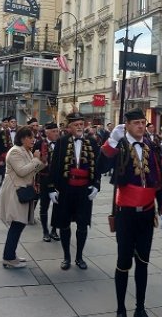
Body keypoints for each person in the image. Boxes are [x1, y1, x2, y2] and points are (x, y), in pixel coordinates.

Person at [97, 108, 162, 317]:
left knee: (143, 261)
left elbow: (158, 181)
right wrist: (111, 141)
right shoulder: (119, 146)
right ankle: (121, 308)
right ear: (126, 125)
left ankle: (140, 307)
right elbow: (101, 167)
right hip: (126, 214)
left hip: (147, 213)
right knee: (123, 262)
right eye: (136, 123)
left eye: (142, 122)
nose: (141, 126)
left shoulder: (152, 146)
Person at [49, 112, 100, 270]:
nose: (79, 127)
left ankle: (79, 257)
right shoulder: (61, 142)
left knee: (82, 225)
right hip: (66, 189)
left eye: (81, 124)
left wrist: (97, 185)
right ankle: (66, 257)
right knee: (64, 225)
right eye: (76, 125)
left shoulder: (92, 142)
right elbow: (54, 166)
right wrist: (51, 188)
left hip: (84, 190)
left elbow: (98, 165)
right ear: (69, 127)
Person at [0, 127, 45, 268]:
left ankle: (11, 254)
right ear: (22, 138)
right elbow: (21, 171)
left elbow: (32, 171)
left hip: (22, 190)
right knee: (17, 223)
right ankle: (8, 257)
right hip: (15, 191)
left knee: (19, 223)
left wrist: (41, 163)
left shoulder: (27, 152)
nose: (33, 140)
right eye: (30, 137)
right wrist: (36, 160)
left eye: (34, 137)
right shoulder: (15, 152)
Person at [34, 122, 61, 242]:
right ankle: (45, 231)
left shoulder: (62, 143)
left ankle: (54, 229)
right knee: (44, 205)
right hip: (44, 178)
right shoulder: (39, 144)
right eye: (54, 131)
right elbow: (33, 164)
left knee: (58, 206)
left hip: (59, 180)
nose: (56, 133)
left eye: (57, 131)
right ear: (47, 132)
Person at [0, 117, 16, 196]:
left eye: (15, 122)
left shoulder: (18, 133)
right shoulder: (2, 133)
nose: (13, 123)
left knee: (10, 175)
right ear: (8, 123)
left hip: (14, 157)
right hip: (3, 156)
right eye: (11, 122)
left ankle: (8, 190)